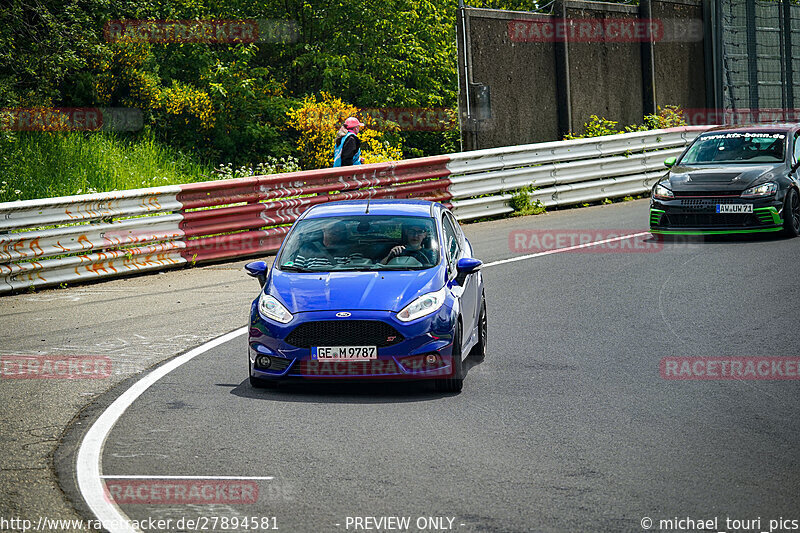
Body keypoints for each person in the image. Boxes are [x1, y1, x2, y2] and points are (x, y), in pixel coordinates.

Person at [292, 221, 366, 269]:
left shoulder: (352, 249)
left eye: (340, 229)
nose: (336, 230)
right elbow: (296, 271)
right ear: (323, 228)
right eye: (333, 227)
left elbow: (355, 272)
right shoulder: (307, 249)